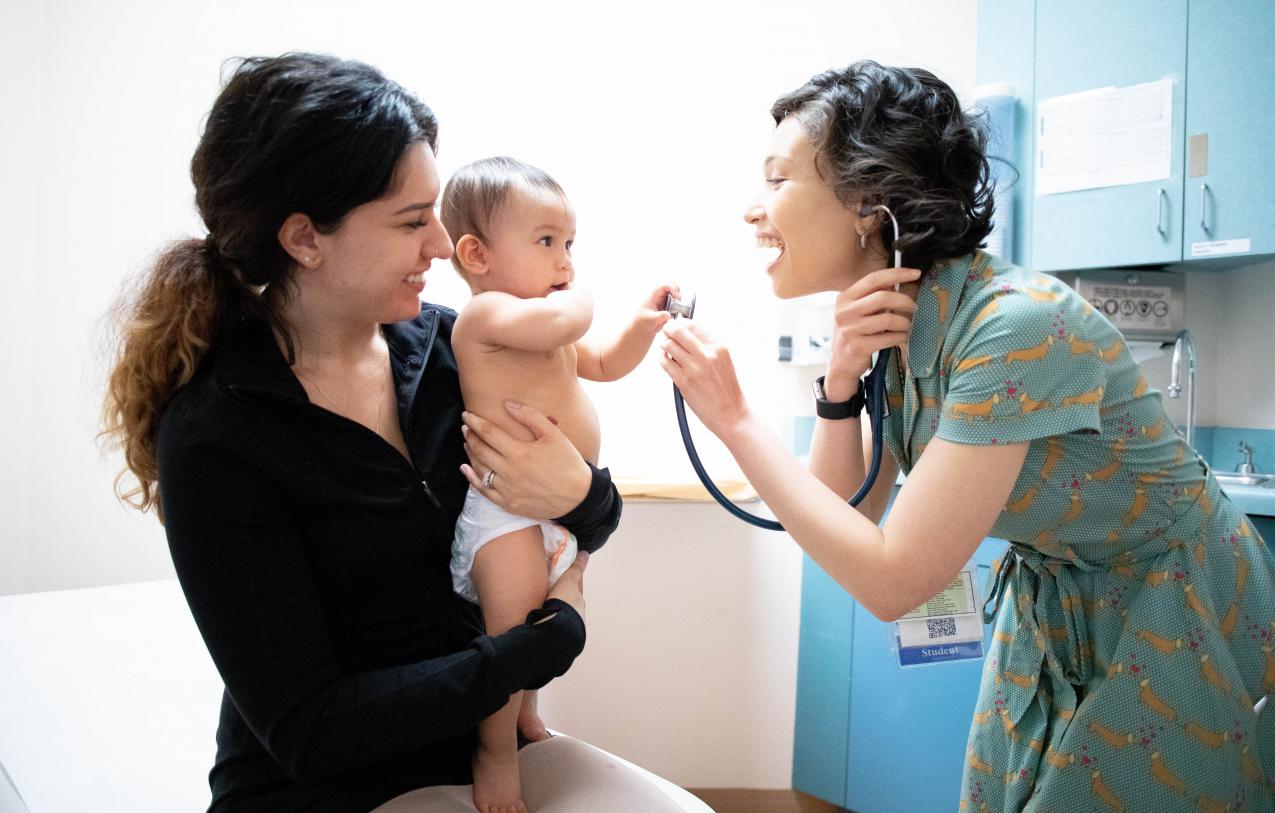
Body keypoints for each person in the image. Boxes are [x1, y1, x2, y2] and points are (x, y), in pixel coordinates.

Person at [659, 60, 1275, 811]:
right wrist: (841, 382)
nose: (752, 211)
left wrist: (734, 420)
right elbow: (840, 521)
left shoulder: (1012, 325)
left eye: (777, 180)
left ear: (866, 199)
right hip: (1055, 591)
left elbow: (893, 579)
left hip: (1171, 591)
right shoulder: (896, 324)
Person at [100, 53, 703, 813]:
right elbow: (306, 729)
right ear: (304, 238)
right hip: (323, 790)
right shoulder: (219, 434)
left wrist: (584, 496)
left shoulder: (450, 350)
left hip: (479, 763)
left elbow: (580, 511)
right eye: (414, 222)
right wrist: (536, 646)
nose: (444, 248)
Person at [439, 156, 674, 812]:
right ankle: (492, 749)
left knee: (542, 622)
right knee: (509, 633)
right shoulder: (485, 319)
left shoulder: (549, 323)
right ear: (475, 254)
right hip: (504, 512)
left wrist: (639, 327)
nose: (565, 261)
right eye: (546, 242)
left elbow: (598, 361)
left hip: (558, 510)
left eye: (569, 244)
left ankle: (525, 713)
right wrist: (581, 299)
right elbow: (567, 324)